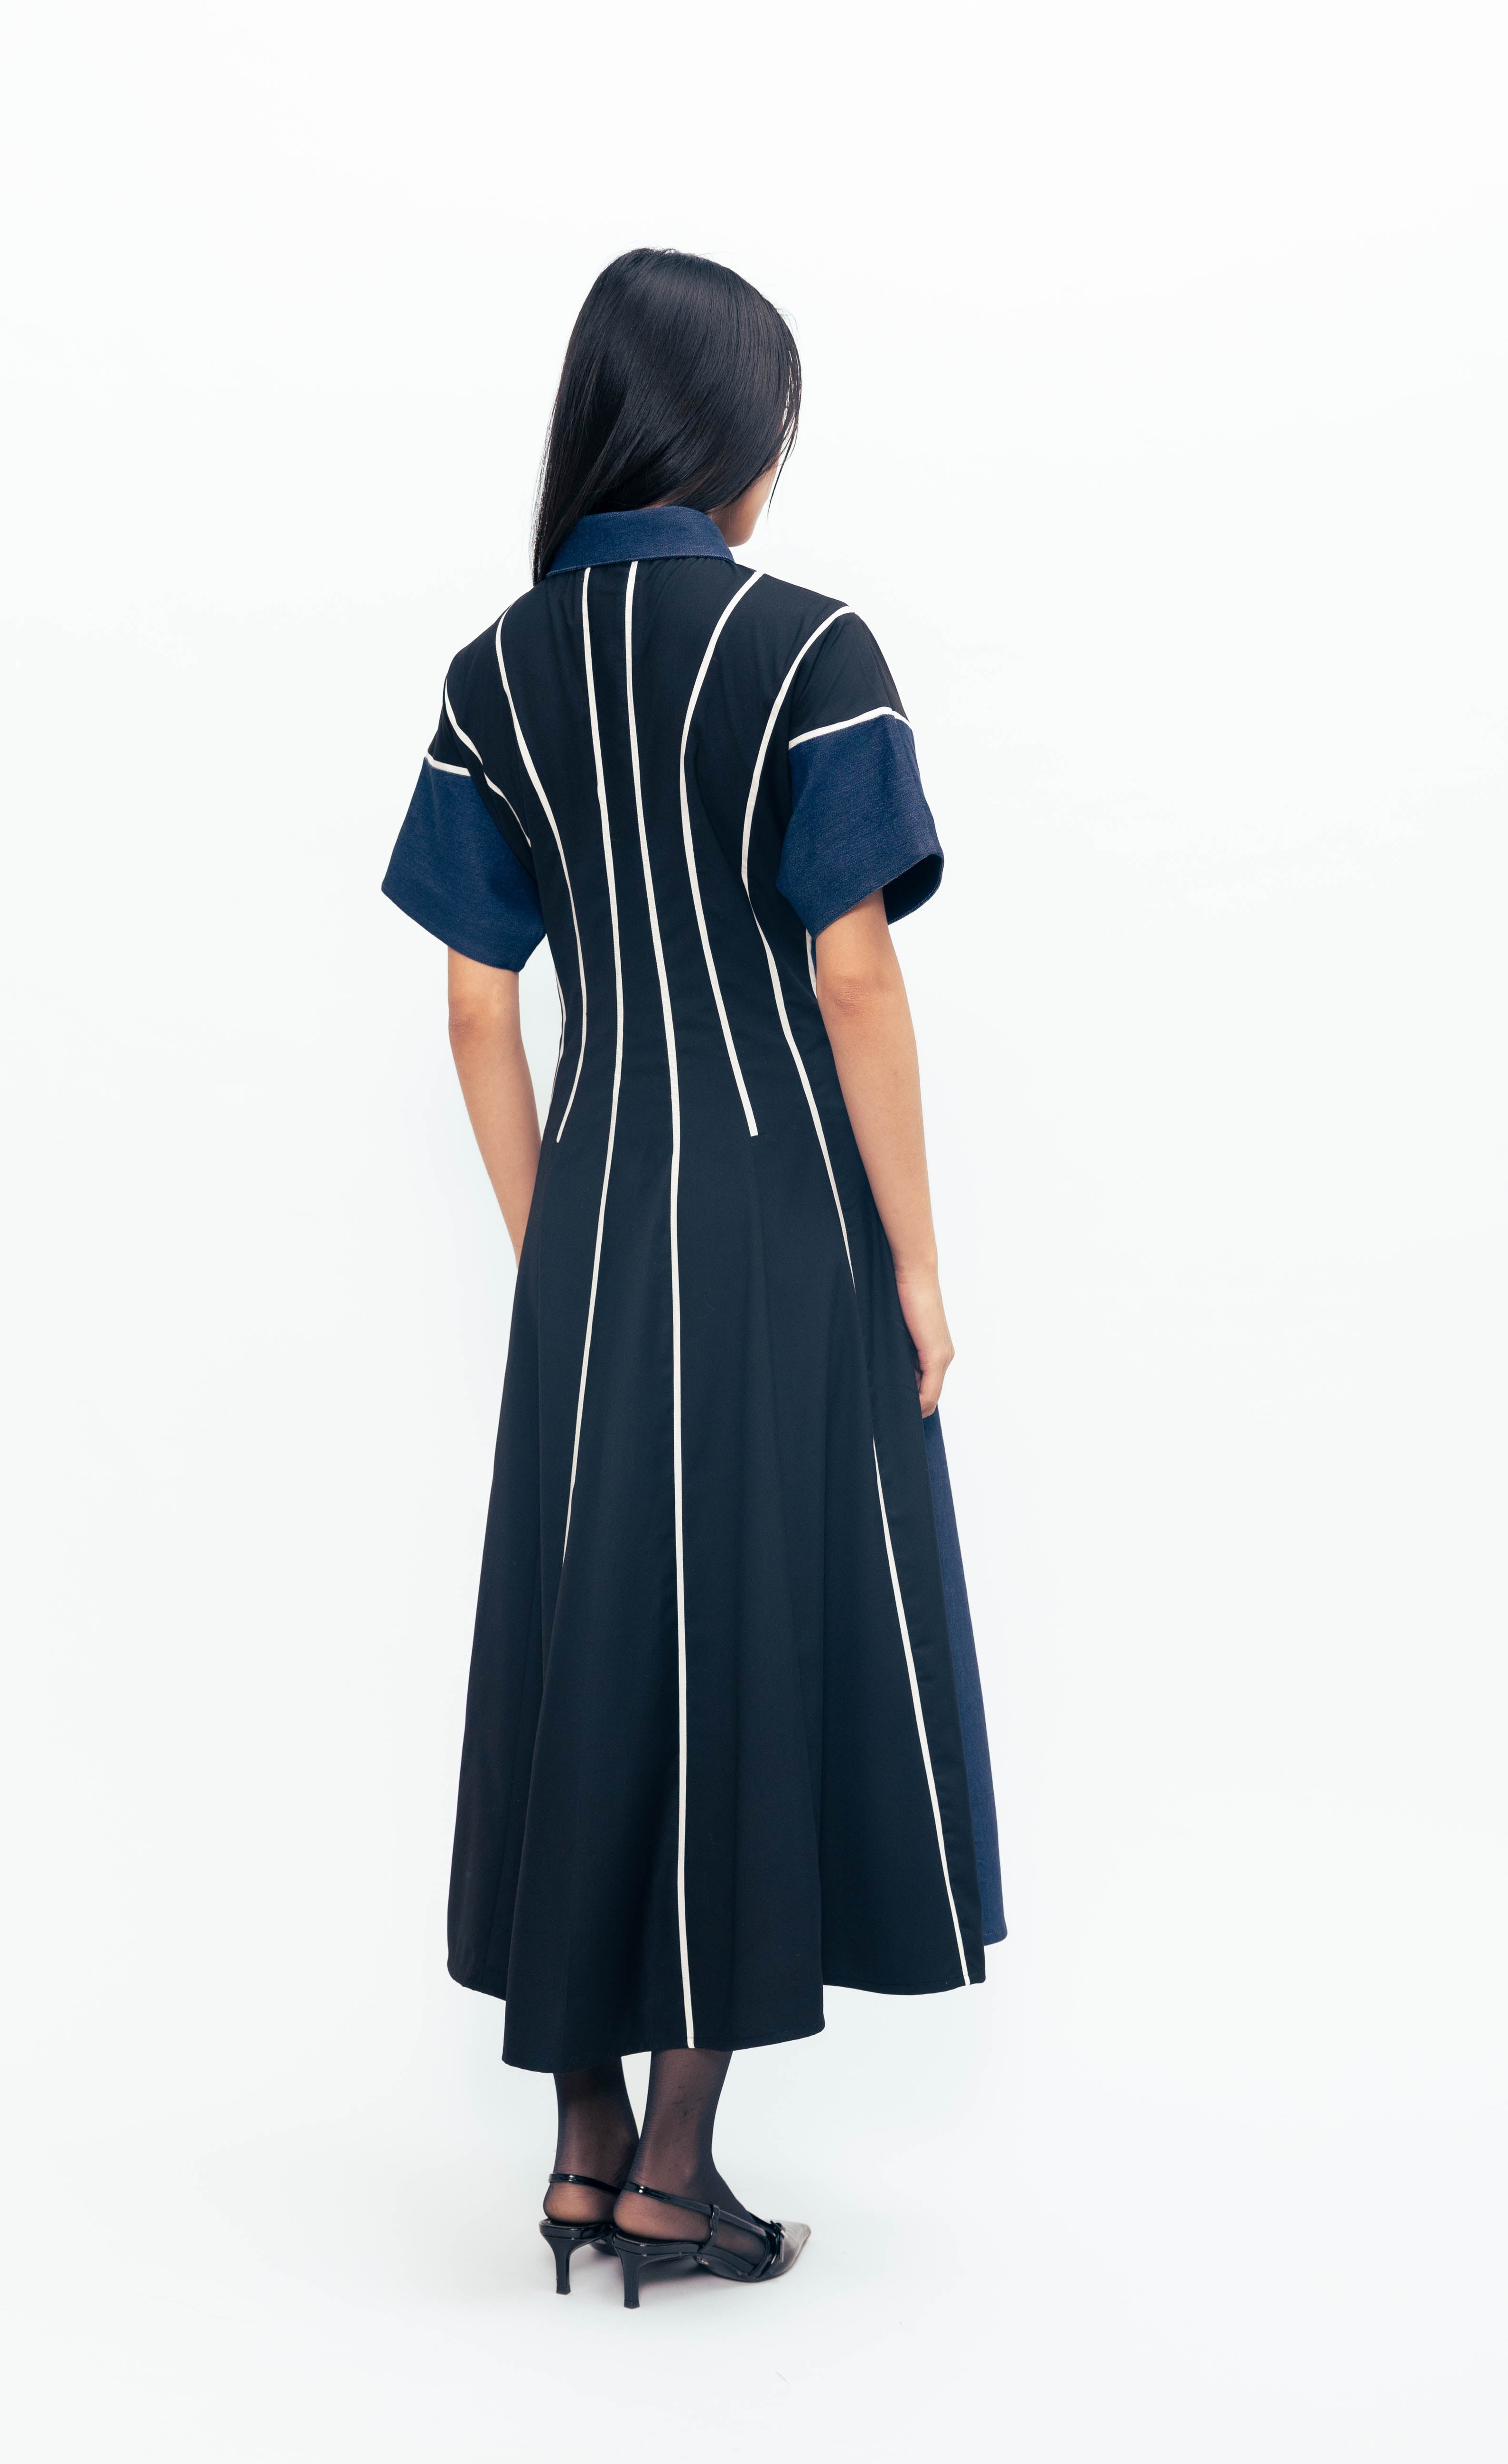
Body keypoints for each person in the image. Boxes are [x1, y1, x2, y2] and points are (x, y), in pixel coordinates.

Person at [382, 247, 1005, 2309]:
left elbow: (479, 1012)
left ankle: (578, 2156)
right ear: (735, 437)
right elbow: (852, 971)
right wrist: (919, 1262)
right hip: (773, 1217)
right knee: (744, 1639)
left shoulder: (495, 675)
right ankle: (672, 2172)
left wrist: (554, 1242)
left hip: (598, 1213)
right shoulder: (804, 646)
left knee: (588, 1640)